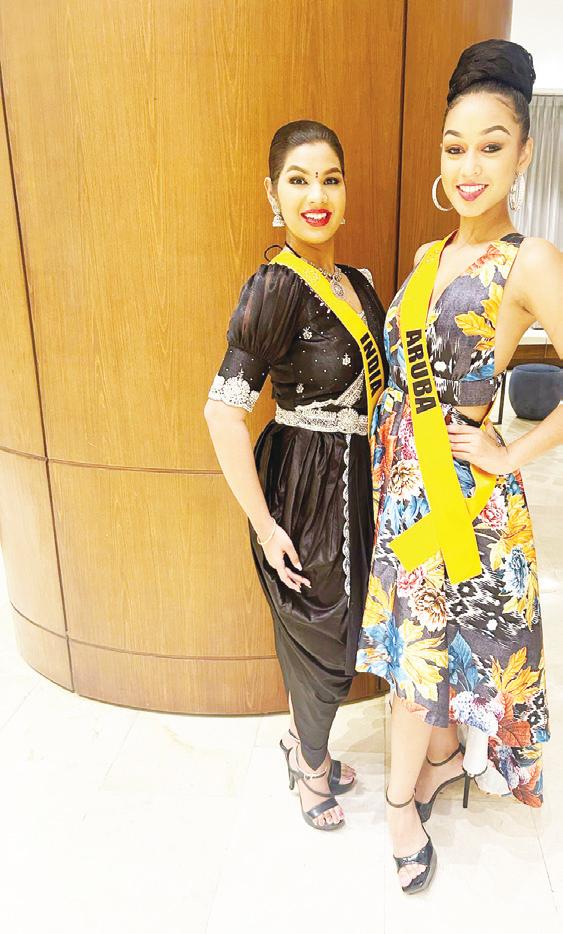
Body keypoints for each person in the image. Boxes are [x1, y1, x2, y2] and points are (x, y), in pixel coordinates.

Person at [356, 39, 562, 892]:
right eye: (454, 146)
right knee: (424, 649)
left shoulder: (529, 260)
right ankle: (440, 762)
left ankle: (397, 808)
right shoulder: (426, 259)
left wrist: (510, 451)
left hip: (460, 498)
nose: (469, 166)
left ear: (522, 154)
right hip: (404, 491)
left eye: (489, 145)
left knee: (417, 659)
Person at [204, 120, 387, 831]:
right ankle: (310, 765)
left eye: (330, 179)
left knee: (350, 623)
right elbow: (223, 413)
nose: (317, 196)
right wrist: (264, 525)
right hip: (304, 482)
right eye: (299, 180)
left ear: (345, 191)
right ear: (272, 193)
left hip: (357, 475)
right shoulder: (275, 287)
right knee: (322, 631)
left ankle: (302, 743)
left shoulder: (359, 283)